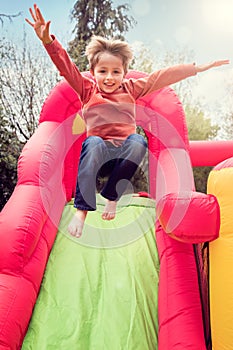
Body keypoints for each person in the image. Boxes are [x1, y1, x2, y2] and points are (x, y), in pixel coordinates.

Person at [26, 4, 229, 238]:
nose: (109, 77)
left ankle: (111, 195)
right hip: (98, 157)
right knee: (91, 144)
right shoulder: (87, 90)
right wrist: (48, 42)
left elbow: (160, 77)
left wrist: (197, 68)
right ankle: (82, 211)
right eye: (103, 71)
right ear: (93, 72)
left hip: (122, 156)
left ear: (124, 73)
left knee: (138, 141)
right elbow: (66, 67)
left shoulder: (132, 88)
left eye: (115, 71)